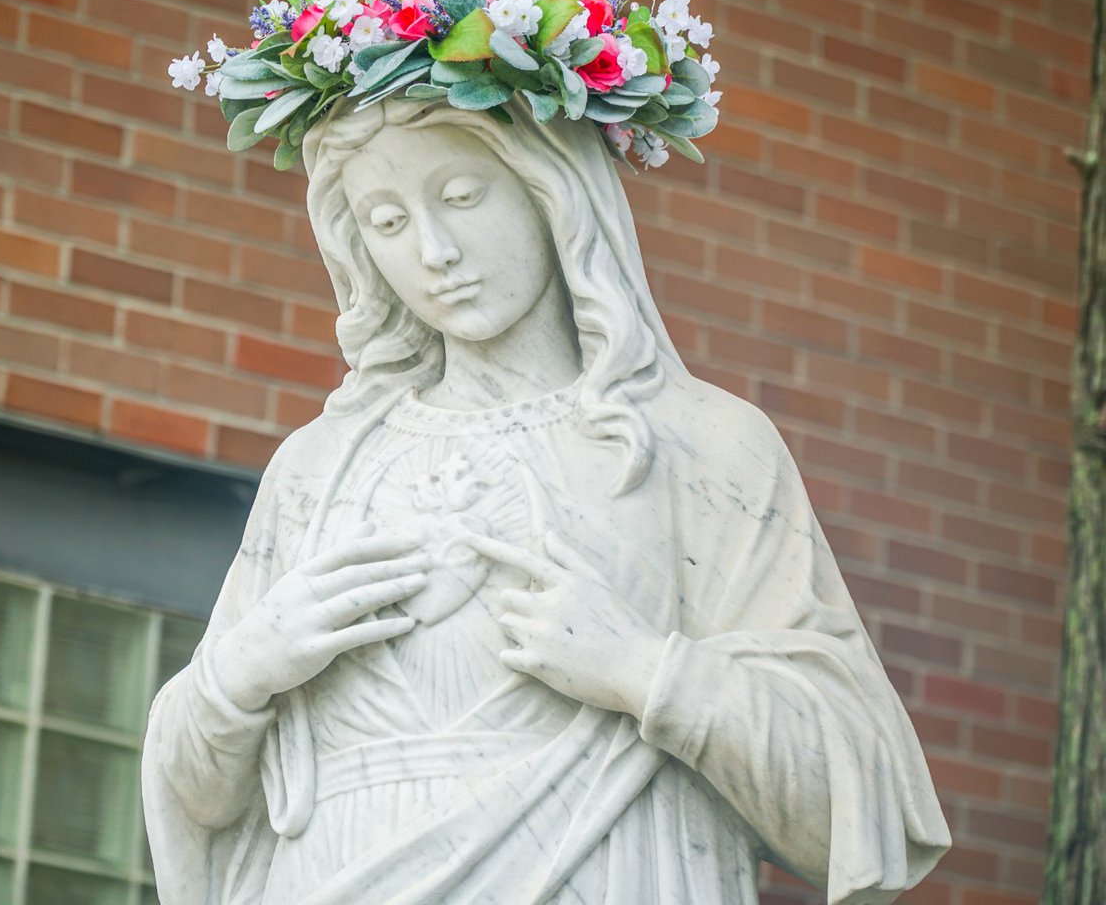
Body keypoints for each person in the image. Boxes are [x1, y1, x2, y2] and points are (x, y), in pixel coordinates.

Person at [142, 96, 950, 905]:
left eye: (462, 196)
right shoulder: (320, 465)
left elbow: (856, 802)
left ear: (551, 189)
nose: (436, 251)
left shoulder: (700, 447)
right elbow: (206, 806)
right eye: (386, 222)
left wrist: (642, 670)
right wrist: (239, 677)